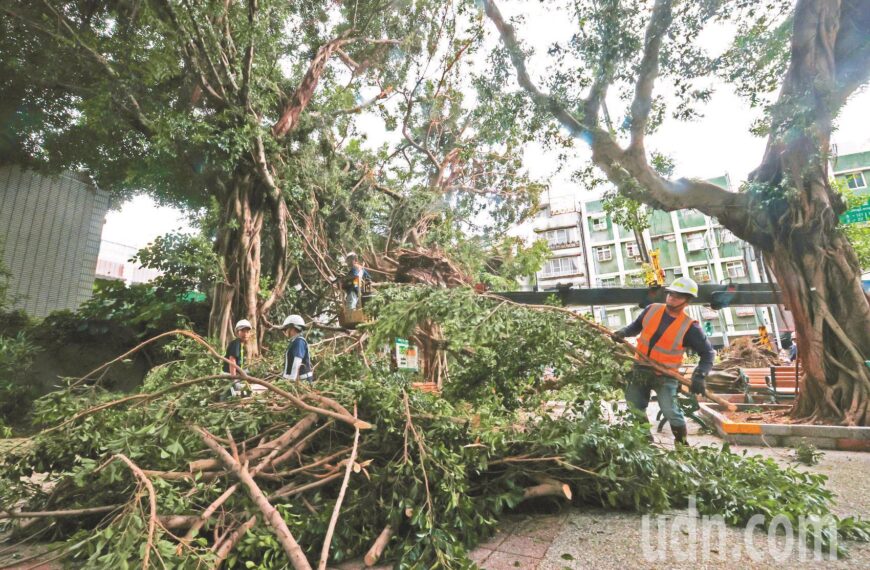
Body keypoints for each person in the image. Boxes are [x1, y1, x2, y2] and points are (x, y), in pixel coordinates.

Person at [613, 277, 715, 445]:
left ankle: (681, 444)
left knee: (670, 410)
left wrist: (700, 375)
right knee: (634, 404)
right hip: (641, 368)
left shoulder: (690, 327)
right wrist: (623, 332)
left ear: (687, 301)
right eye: (671, 294)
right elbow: (636, 326)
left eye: (678, 296)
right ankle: (644, 438)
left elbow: (708, 353)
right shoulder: (651, 309)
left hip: (665, 376)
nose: (672, 298)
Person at [280, 314, 313, 382]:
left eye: (286, 328)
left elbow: (297, 362)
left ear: (292, 328)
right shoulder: (295, 341)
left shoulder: (299, 341)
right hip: (296, 379)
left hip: (302, 381)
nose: (285, 331)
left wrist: (292, 380)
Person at [224, 319, 252, 396]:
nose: (245, 334)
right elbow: (232, 361)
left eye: (247, 332)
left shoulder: (241, 344)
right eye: (242, 331)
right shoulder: (236, 343)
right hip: (228, 375)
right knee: (229, 395)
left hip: (235, 374)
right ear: (237, 332)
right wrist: (234, 379)